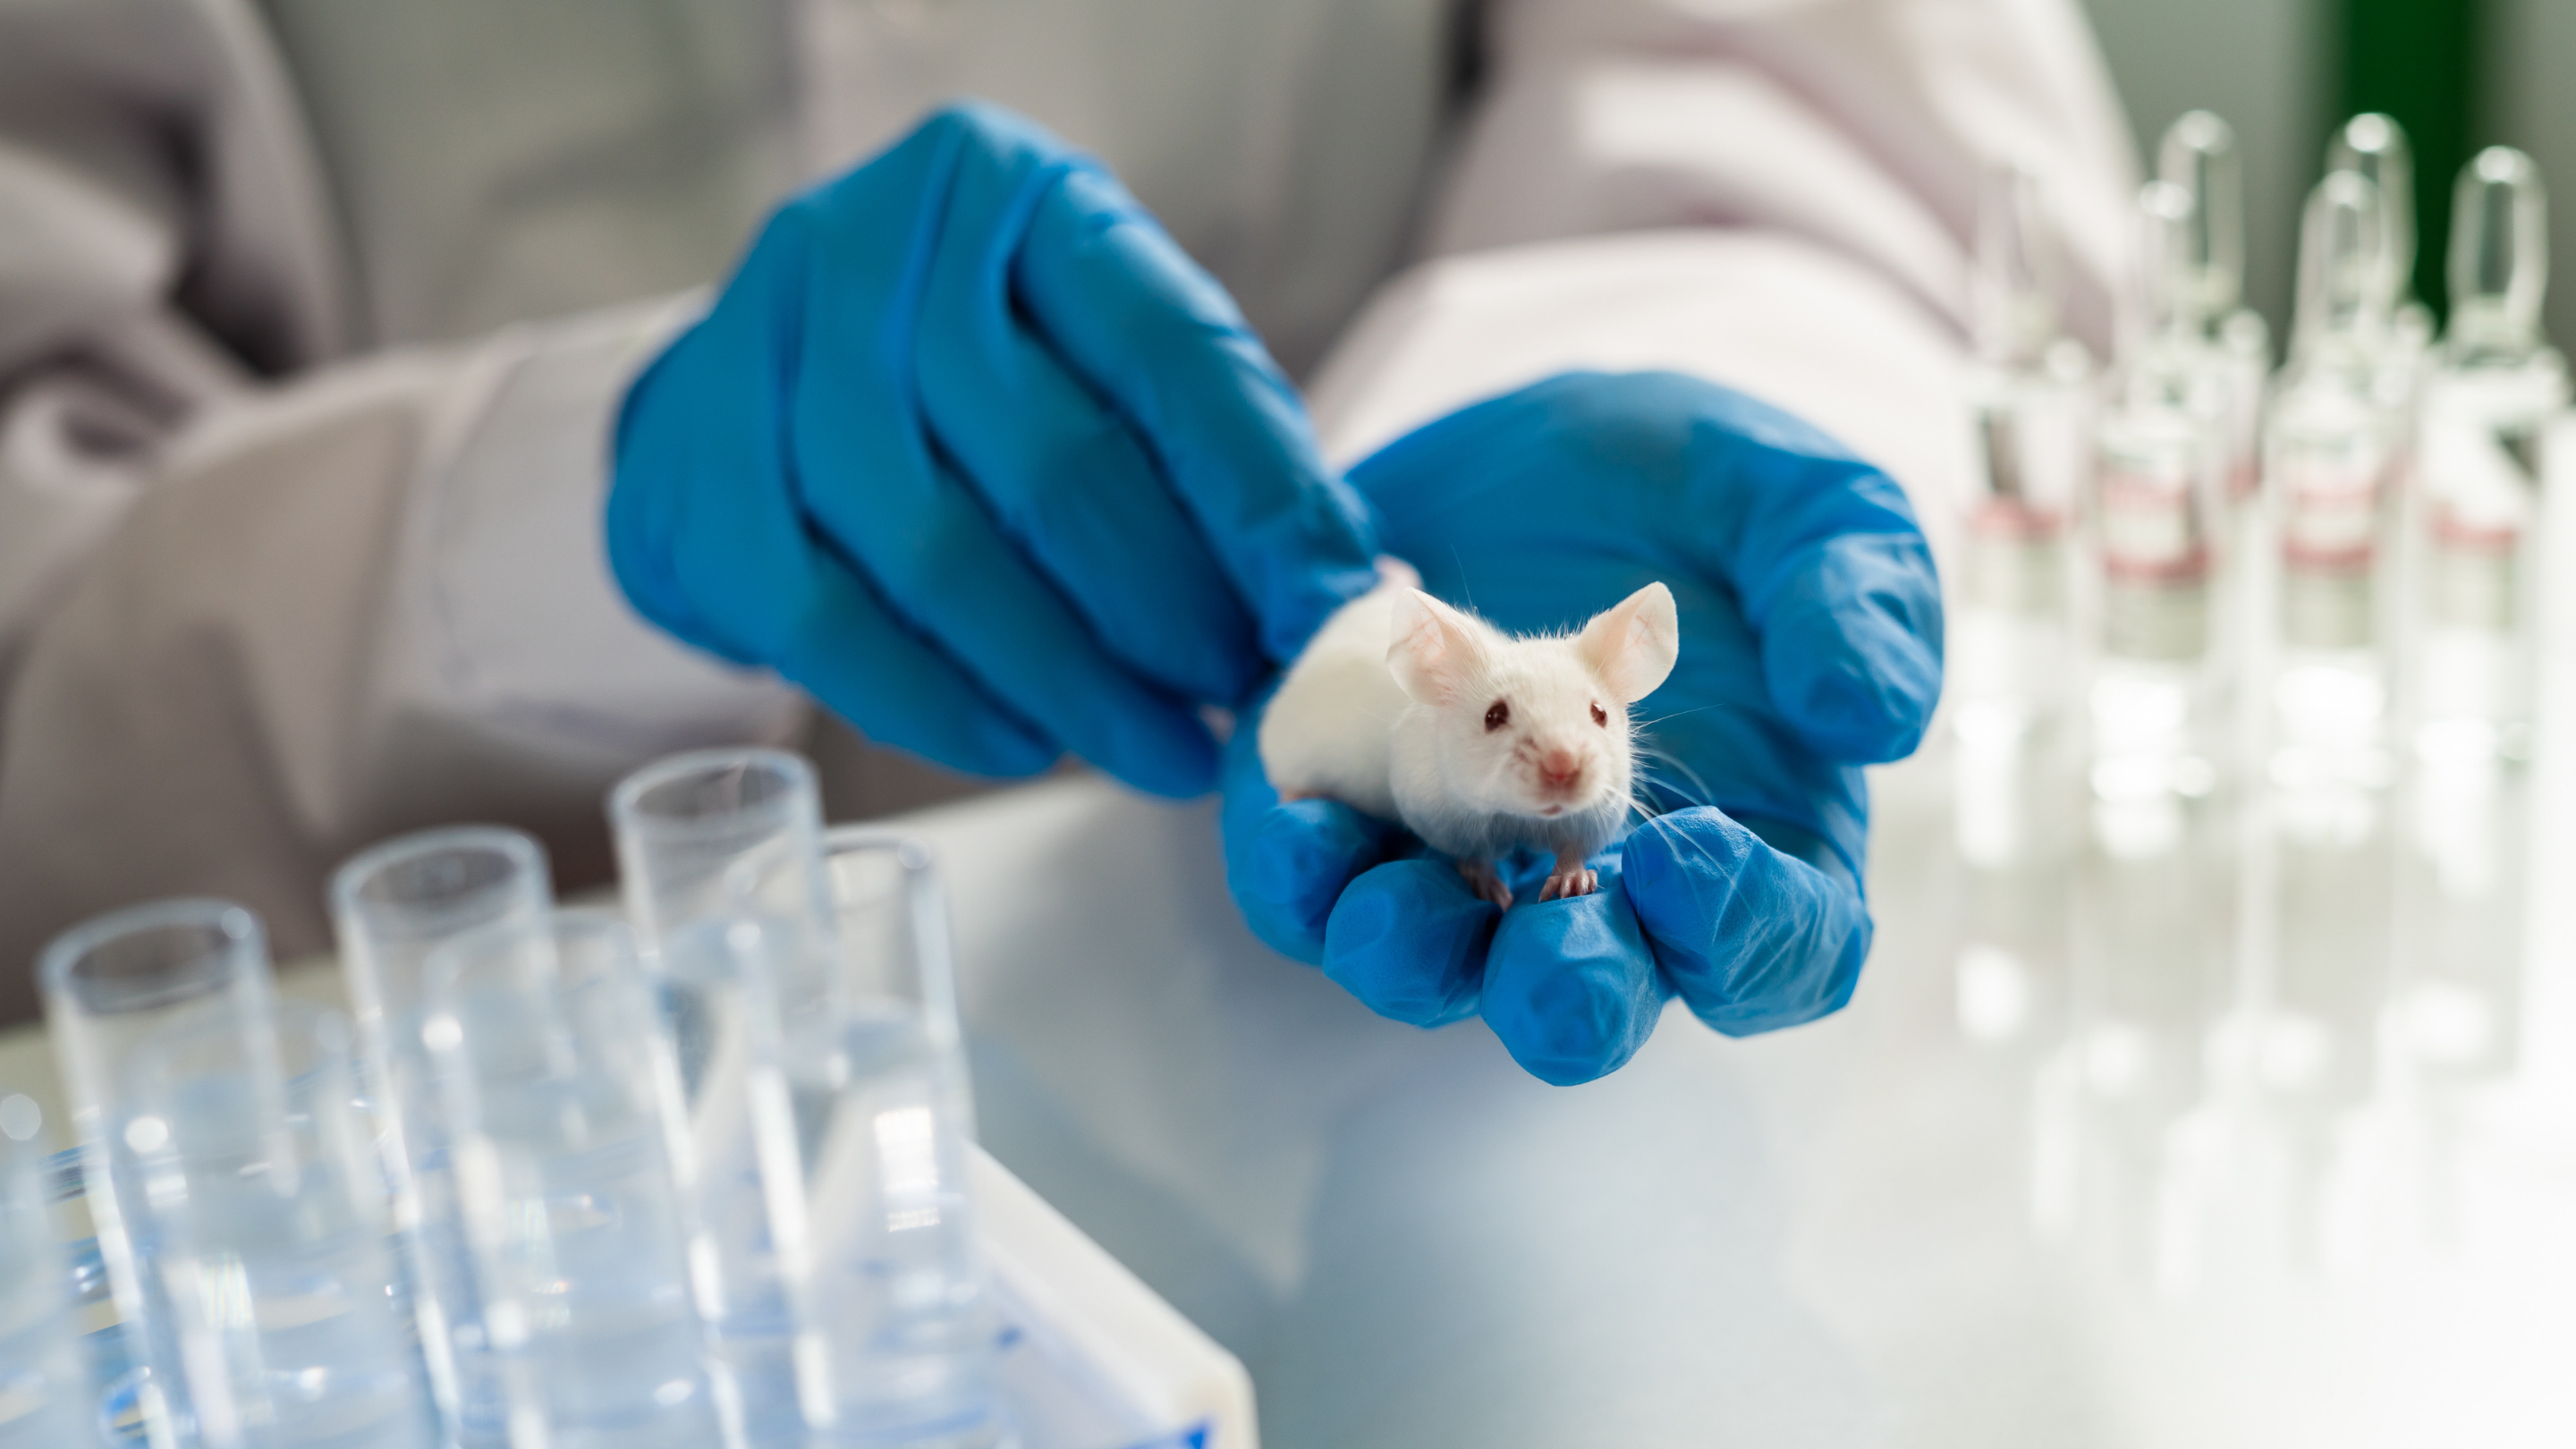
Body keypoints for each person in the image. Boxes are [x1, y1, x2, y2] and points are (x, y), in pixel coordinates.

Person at [0, 0, 2145, 1438]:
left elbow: (1810, 96)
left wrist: (1658, 379)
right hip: (503, 1098)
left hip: (1436, 1175)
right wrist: (561, 505)